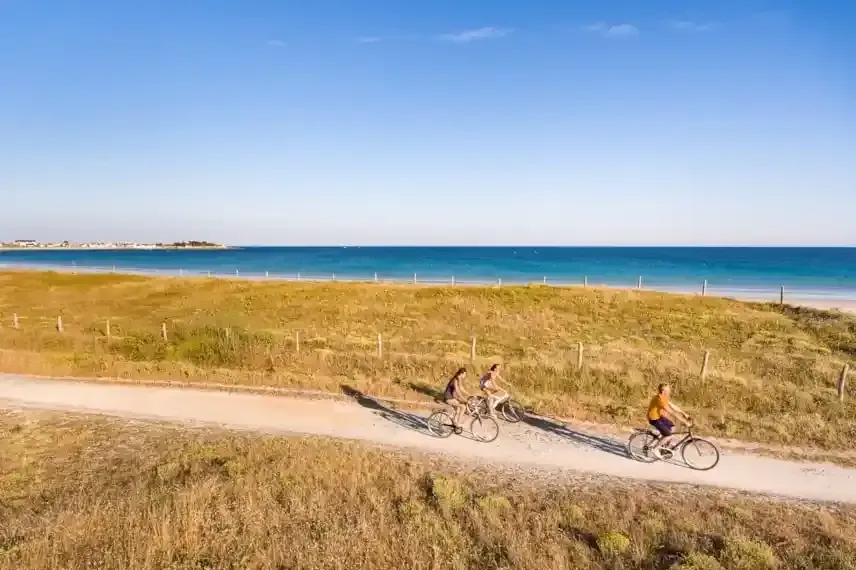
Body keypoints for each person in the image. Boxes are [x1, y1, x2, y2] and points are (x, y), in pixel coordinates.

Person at [647, 383, 692, 457]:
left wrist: (684, 413)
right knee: (669, 435)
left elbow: (673, 406)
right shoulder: (660, 399)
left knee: (672, 427)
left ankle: (665, 446)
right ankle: (655, 449)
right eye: (668, 390)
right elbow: (672, 412)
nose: (670, 391)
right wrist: (685, 422)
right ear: (663, 391)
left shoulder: (664, 397)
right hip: (654, 419)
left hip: (659, 417)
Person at [443, 367, 470, 432]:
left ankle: (454, 424)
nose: (465, 376)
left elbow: (461, 388)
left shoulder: (459, 379)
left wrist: (469, 394)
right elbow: (458, 391)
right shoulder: (455, 380)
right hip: (448, 398)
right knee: (463, 407)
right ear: (461, 373)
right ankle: (458, 424)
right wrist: (464, 400)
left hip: (451, 397)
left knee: (458, 409)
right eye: (464, 374)